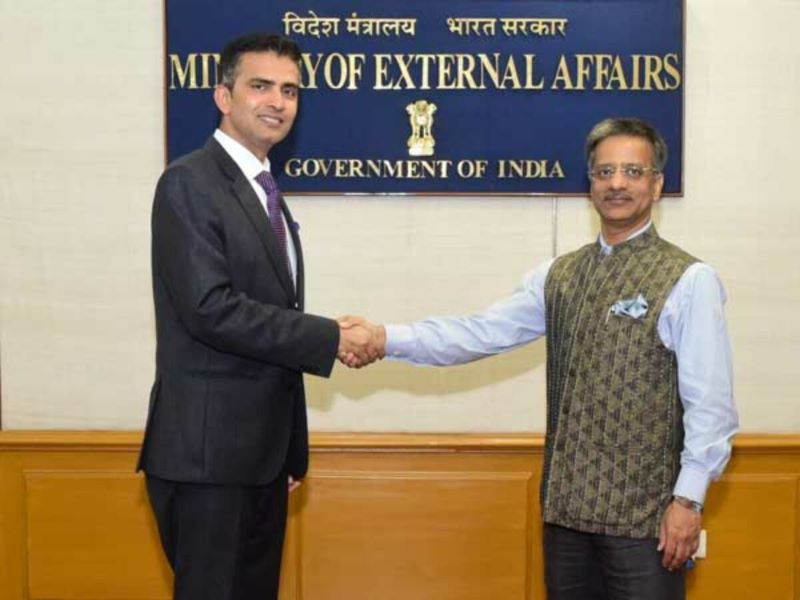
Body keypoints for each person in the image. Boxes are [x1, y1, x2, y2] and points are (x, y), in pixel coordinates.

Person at [341, 117, 738, 600]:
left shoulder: (689, 279)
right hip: (564, 517)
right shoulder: (559, 275)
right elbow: (479, 333)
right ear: (589, 183)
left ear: (656, 185)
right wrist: (385, 337)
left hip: (646, 521)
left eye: (633, 172)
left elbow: (711, 407)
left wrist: (688, 501)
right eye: (604, 172)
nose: (616, 183)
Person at [137, 32, 378, 600]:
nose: (278, 101)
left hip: (260, 459)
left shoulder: (265, 190)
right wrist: (330, 336)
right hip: (207, 458)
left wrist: (289, 447)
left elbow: (272, 320)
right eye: (260, 86)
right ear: (224, 96)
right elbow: (210, 310)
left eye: (290, 90)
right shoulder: (189, 182)